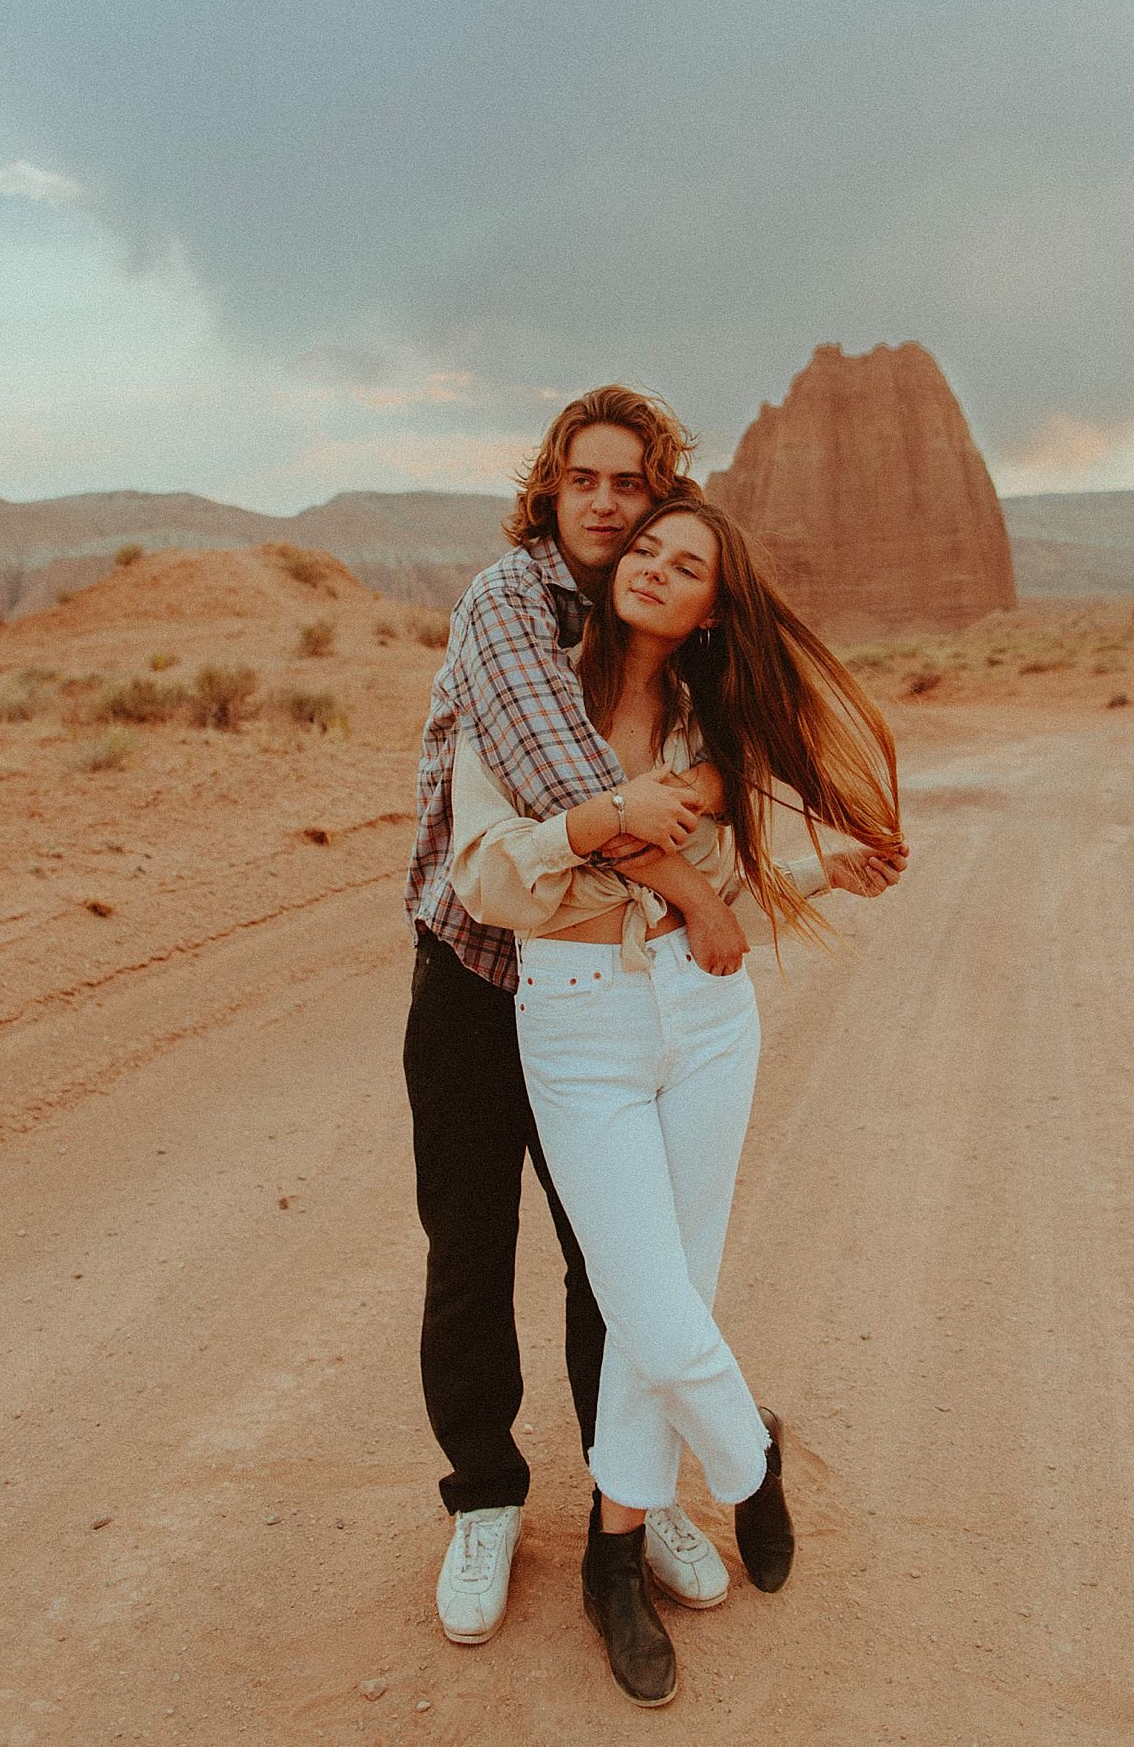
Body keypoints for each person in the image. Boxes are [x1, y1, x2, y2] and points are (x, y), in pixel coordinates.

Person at [449, 496, 906, 1706]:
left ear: (715, 600)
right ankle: (749, 1464)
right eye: (644, 550)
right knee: (642, 1298)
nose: (652, 568)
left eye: (686, 562)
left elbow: (722, 900)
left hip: (706, 1024)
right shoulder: (527, 696)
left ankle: (615, 1554)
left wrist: (825, 869)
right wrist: (603, 820)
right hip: (577, 1020)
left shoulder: (709, 722)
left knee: (679, 1289)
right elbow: (486, 874)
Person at [404, 385, 743, 1646]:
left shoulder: (656, 617)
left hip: (598, 989)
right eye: (584, 479)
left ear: (660, 495)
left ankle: (632, 1487)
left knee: (620, 1256)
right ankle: (484, 1498)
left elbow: (734, 763)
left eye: (632, 485)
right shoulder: (508, 602)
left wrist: (717, 785)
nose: (607, 504)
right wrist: (692, 893)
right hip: (477, 978)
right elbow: (567, 783)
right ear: (551, 486)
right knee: (468, 1247)